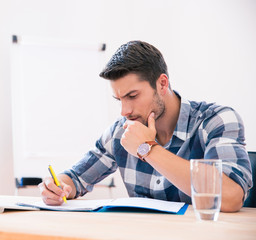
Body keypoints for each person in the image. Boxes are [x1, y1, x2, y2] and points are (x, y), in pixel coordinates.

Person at [38, 40, 253, 212]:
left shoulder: (217, 120)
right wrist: (57, 188)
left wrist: (147, 149)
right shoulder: (121, 132)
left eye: (132, 96)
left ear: (162, 84)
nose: (124, 111)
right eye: (119, 99)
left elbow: (231, 197)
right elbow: (75, 178)